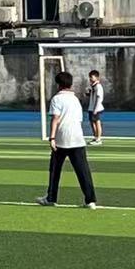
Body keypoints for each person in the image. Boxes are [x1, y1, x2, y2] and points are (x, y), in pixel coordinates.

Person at [38, 71, 100, 209]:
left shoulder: (57, 99)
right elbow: (79, 119)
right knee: (83, 171)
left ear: (58, 85)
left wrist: (52, 137)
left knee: (55, 170)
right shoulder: (75, 99)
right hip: (77, 138)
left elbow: (55, 119)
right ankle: (90, 200)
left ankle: (51, 197)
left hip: (62, 139)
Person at [86, 69, 107, 141]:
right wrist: (88, 94)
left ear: (96, 77)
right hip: (91, 107)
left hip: (96, 108)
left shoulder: (98, 86)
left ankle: (98, 138)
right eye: (90, 77)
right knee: (92, 123)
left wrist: (96, 108)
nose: (90, 78)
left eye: (92, 77)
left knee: (97, 122)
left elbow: (99, 98)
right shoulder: (93, 86)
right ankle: (95, 136)